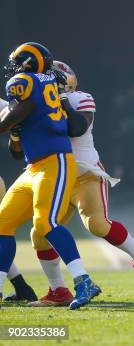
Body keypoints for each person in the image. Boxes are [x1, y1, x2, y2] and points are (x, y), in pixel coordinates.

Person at [7, 60, 134, 306]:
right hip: (55, 177)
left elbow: (77, 128)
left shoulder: (79, 98)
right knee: (40, 233)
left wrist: (61, 99)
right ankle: (58, 290)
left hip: (85, 174)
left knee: (96, 224)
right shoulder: (33, 106)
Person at [0, 42, 100, 310]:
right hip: (33, 166)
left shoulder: (29, 83)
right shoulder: (41, 85)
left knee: (45, 222)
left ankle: (84, 281)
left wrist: (9, 122)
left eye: (18, 61)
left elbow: (14, 115)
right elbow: (15, 147)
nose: (13, 68)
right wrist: (15, 132)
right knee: (2, 222)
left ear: (29, 64)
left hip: (54, 162)